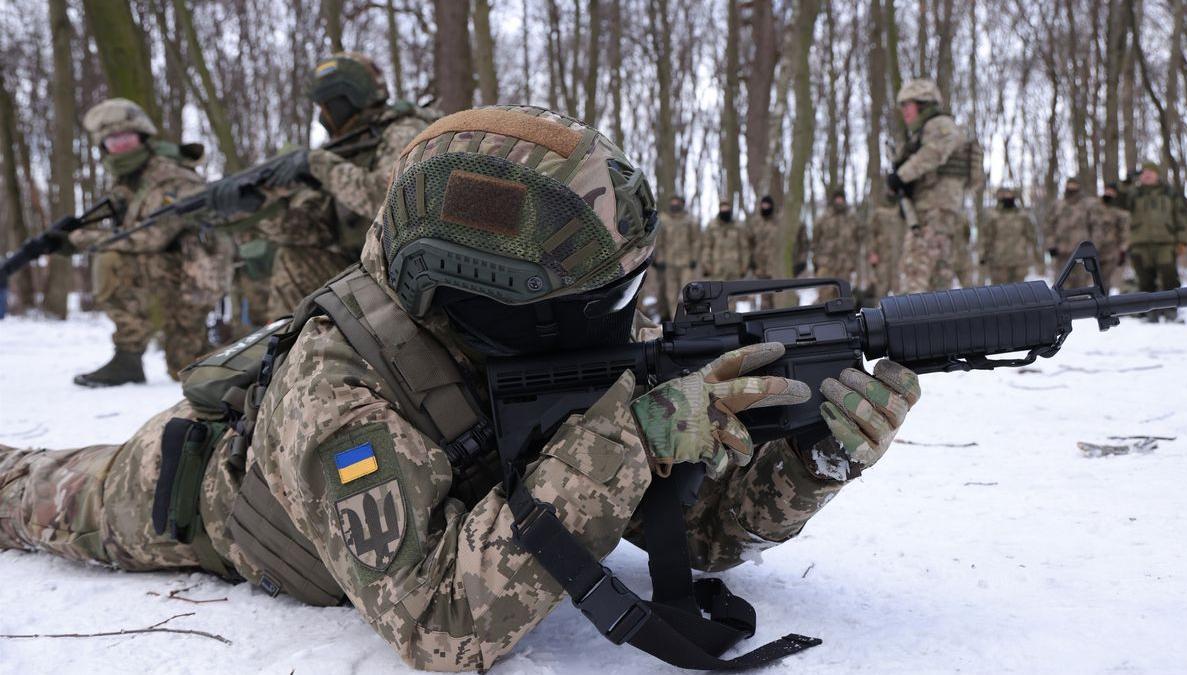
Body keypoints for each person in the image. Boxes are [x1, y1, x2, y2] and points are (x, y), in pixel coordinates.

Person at [0, 106, 920, 671]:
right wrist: (629, 438)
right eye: (608, 300)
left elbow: (696, 527)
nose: (626, 319)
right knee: (32, 490)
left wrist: (813, 458)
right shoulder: (336, 395)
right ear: (499, 298)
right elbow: (441, 626)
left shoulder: (550, 327)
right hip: (197, 493)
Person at [238, 52, 439, 320]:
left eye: (325, 107)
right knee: (292, 258)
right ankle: (287, 353)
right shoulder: (348, 148)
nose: (322, 116)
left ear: (344, 100)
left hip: (408, 269)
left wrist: (318, 164)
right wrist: (262, 207)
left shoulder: (402, 130)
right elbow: (317, 231)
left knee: (292, 263)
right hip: (367, 264)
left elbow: (388, 197)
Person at [58, 98, 229, 386]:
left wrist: (81, 239)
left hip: (195, 279)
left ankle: (248, 351)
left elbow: (152, 236)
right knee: (111, 258)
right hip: (169, 273)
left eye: (126, 138)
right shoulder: (129, 182)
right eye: (113, 141)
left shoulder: (173, 177)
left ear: (143, 137)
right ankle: (128, 356)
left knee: (187, 367)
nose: (121, 147)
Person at [888, 79, 968, 293]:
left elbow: (934, 153)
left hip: (932, 217)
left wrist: (901, 176)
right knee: (937, 289)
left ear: (923, 104)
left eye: (908, 105)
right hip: (937, 217)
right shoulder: (925, 132)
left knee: (913, 280)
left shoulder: (940, 125)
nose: (904, 111)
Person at [1118, 162, 1187, 321]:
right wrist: (1126, 183)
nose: (1147, 175)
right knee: (1145, 279)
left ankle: (1171, 310)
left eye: (1151, 172)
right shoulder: (1134, 193)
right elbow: (1118, 201)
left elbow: (1180, 218)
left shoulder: (1169, 192)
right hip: (1139, 243)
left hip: (1166, 242)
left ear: (1157, 174)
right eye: (1144, 172)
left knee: (1169, 277)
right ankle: (1150, 311)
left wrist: (1182, 241)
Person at [651, 194, 701, 318]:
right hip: (669, 264)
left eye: (677, 201)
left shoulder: (690, 220)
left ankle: (689, 318)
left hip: (686, 264)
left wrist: (694, 259)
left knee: (687, 293)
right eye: (672, 201)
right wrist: (660, 259)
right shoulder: (663, 220)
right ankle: (675, 319)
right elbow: (659, 242)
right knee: (671, 294)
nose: (674, 204)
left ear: (682, 204)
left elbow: (696, 241)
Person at [811, 187, 863, 299]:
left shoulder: (852, 219)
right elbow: (815, 241)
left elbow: (859, 240)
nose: (839, 201)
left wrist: (854, 261)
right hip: (826, 265)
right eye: (837, 199)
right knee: (824, 298)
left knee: (843, 298)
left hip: (845, 266)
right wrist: (816, 262)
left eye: (841, 199)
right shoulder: (823, 218)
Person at [978, 187, 1038, 284]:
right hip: (999, 263)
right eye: (1004, 196)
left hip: (1019, 261)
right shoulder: (993, 216)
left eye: (1010, 195)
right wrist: (983, 255)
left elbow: (1032, 236)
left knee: (1019, 293)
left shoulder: (1023, 216)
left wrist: (1037, 257)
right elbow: (986, 237)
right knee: (1000, 293)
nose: (1007, 198)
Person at [864, 190, 906, 301]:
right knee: (881, 289)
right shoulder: (878, 213)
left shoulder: (902, 210)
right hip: (883, 257)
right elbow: (870, 234)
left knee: (901, 291)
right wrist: (871, 253)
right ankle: (879, 314)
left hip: (899, 257)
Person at [746, 194, 785, 308]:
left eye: (768, 204)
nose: (765, 206)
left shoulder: (779, 223)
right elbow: (749, 243)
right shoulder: (755, 223)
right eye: (763, 204)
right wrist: (751, 261)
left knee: (779, 297)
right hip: (761, 268)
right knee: (765, 299)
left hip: (777, 266)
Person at [700, 199, 750, 281]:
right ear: (719, 209)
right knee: (717, 292)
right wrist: (707, 265)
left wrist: (744, 267)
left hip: (735, 269)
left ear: (730, 209)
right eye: (722, 208)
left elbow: (744, 247)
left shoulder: (738, 226)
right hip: (717, 269)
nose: (724, 210)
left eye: (726, 208)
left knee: (737, 292)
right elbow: (707, 247)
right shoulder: (712, 226)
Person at [1095, 181, 1131, 291]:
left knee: (1106, 281)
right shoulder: (1096, 207)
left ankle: (1105, 304)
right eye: (1107, 190)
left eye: (1112, 191)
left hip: (1112, 251)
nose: (1109, 193)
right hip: (1095, 248)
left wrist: (1123, 250)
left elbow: (1125, 231)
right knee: (1094, 280)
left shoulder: (1120, 211)